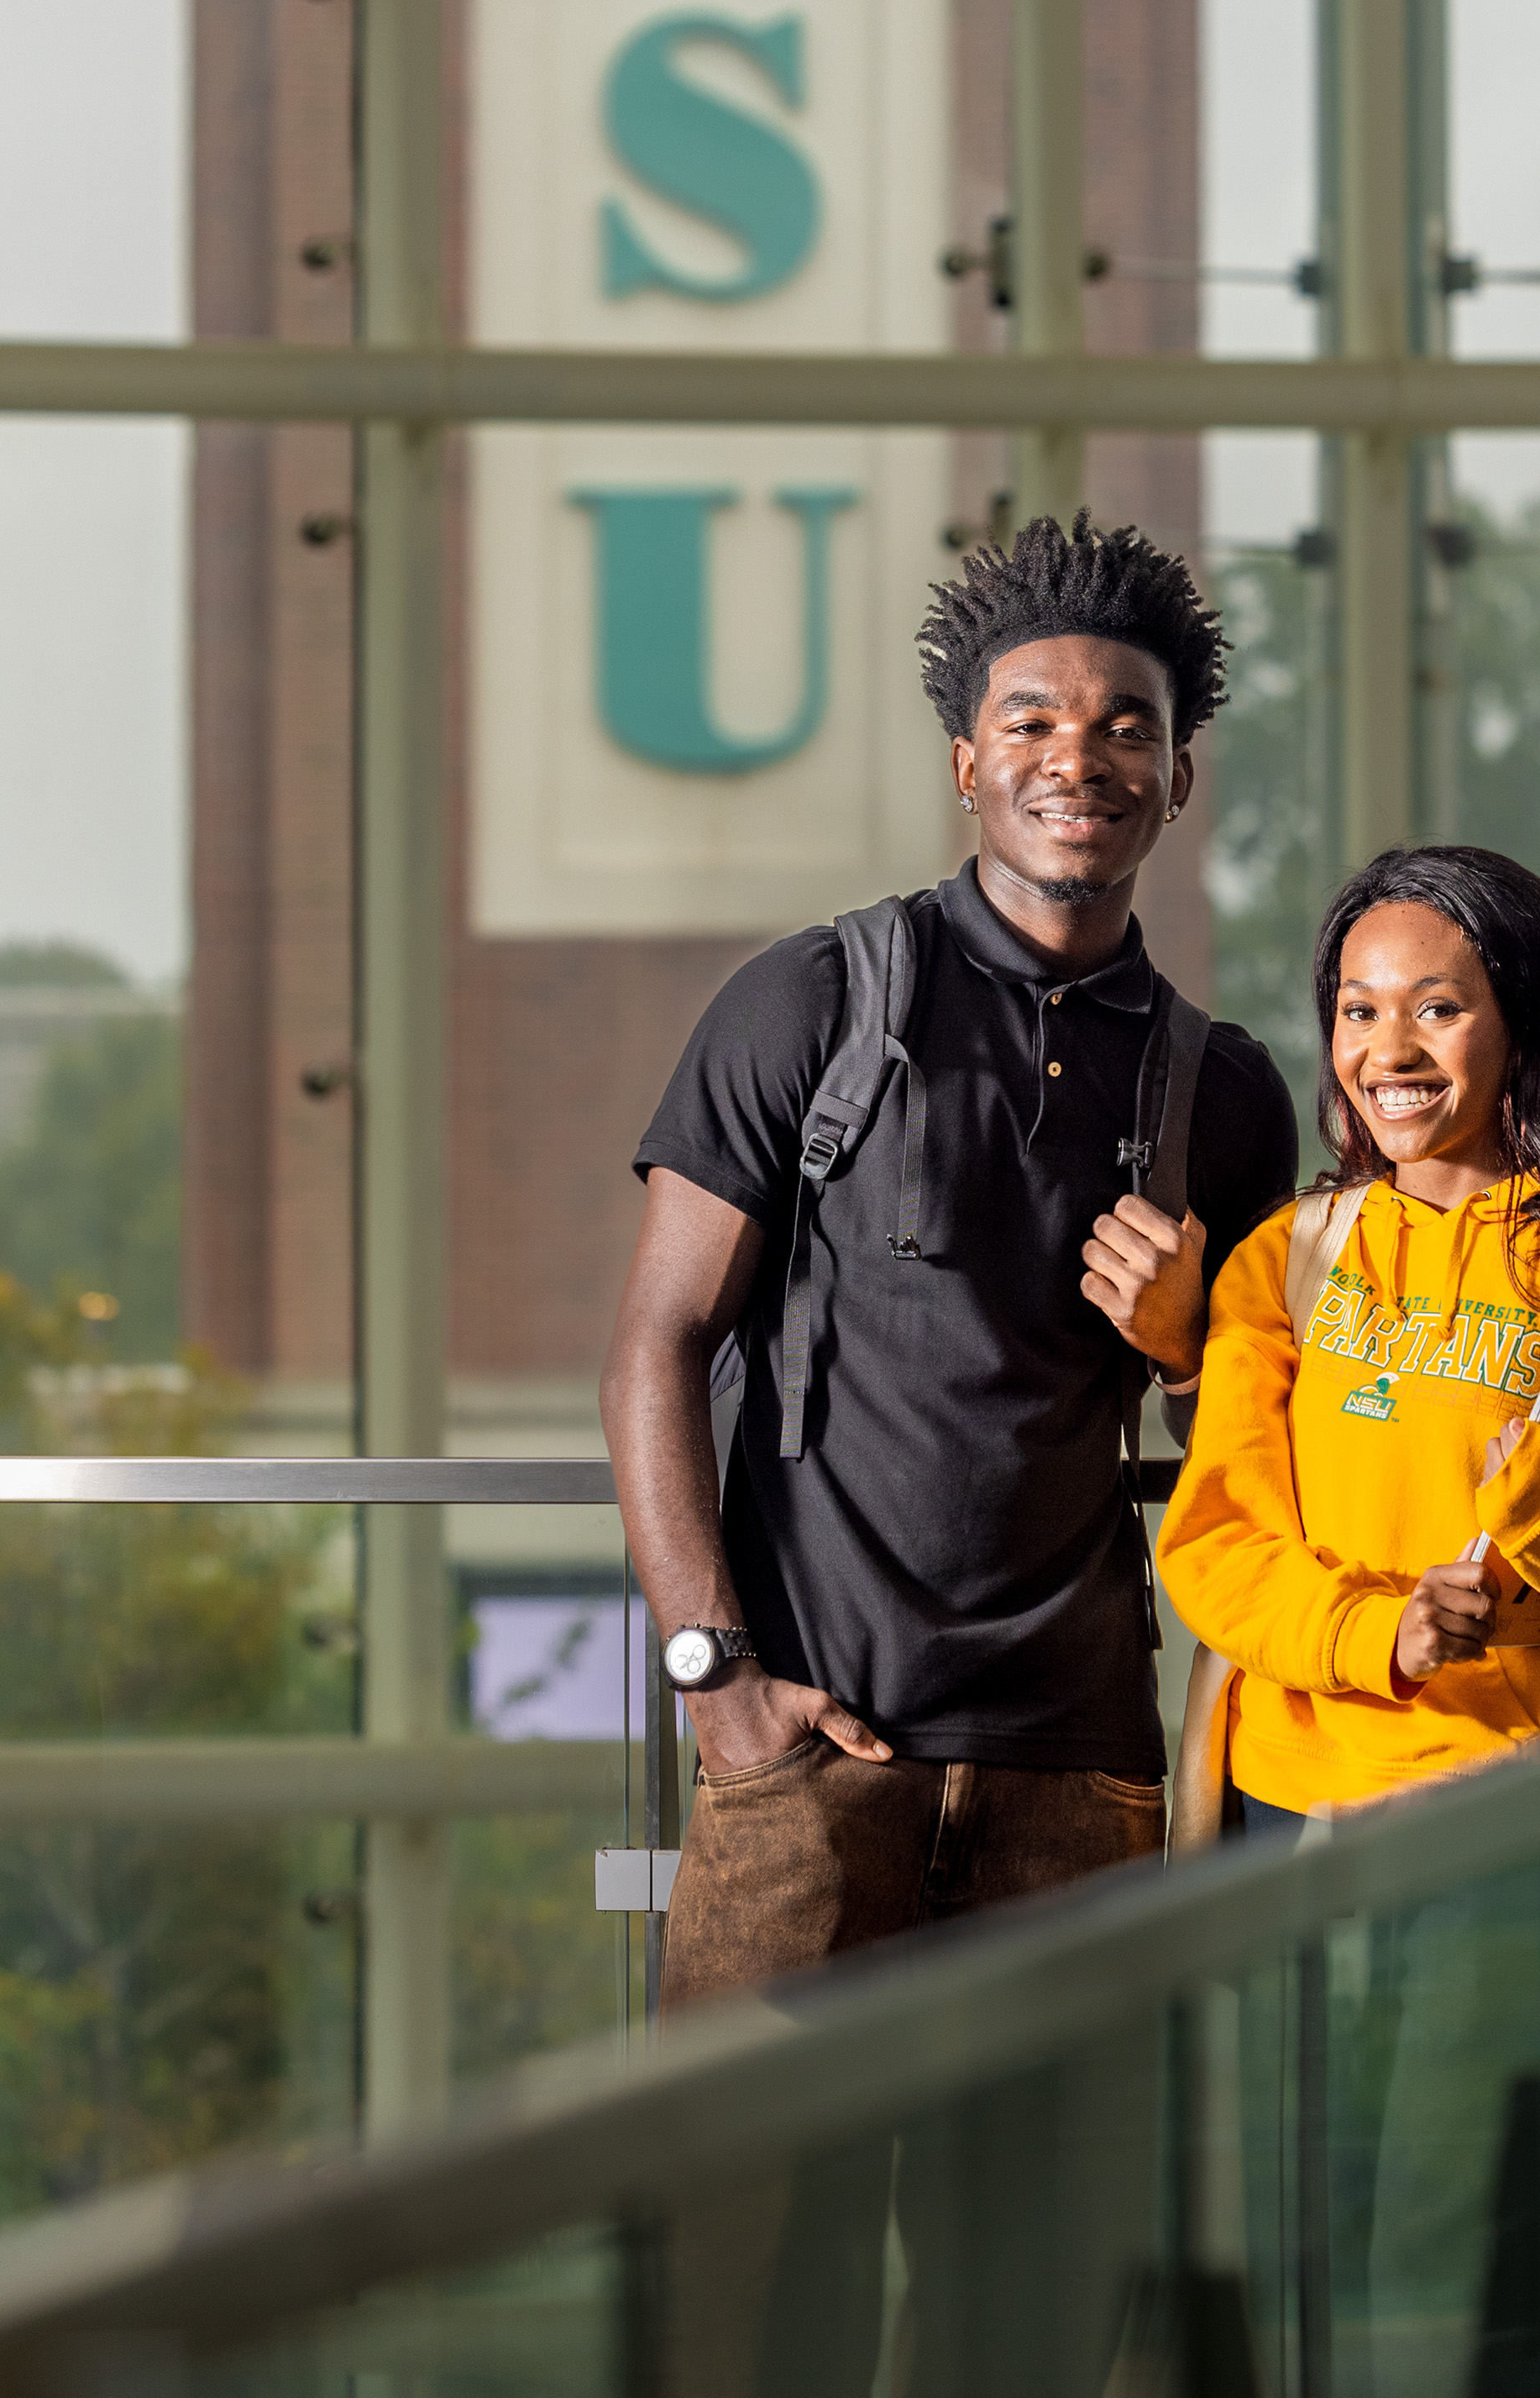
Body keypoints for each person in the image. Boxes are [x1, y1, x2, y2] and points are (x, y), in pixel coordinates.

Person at [608, 512, 1298, 2009]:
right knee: (746, 2170)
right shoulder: (810, 1001)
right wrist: (718, 1685)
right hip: (809, 1750)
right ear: (968, 763)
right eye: (1032, 721)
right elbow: (658, 1340)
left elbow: (1258, 1450)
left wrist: (1190, 1346)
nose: (1079, 757)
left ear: (1177, 780)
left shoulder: (1224, 1091)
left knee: (1063, 2179)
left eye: (1127, 727)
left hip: (1083, 1781)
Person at [1154, 843, 1540, 1831]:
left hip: (1531, 1815)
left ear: (1525, 1024)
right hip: (1293, 1803)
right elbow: (1219, 1544)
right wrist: (1380, 1635)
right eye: (1359, 1011)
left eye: (1437, 1009)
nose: (1389, 1051)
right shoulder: (1288, 1258)